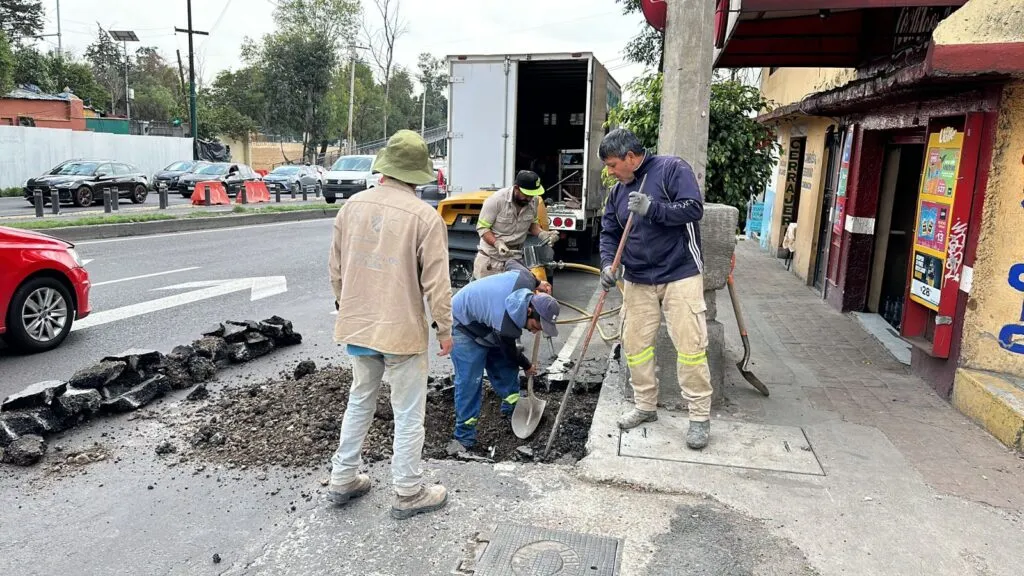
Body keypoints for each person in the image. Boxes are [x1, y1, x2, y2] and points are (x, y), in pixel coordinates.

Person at [327, 129, 454, 520]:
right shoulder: (425, 217)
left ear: (384, 168)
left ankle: (342, 478)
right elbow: (437, 283)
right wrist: (444, 329)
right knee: (408, 412)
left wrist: (346, 306)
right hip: (401, 332)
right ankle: (408, 491)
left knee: (360, 399)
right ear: (418, 175)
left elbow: (336, 270)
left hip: (359, 326)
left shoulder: (351, 207)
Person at [598, 128, 713, 450]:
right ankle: (645, 405)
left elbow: (693, 208)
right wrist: (608, 265)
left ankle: (699, 417)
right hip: (637, 278)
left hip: (680, 273)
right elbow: (609, 232)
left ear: (630, 157)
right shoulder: (618, 192)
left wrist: (653, 209)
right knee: (635, 345)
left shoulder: (672, 169)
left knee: (690, 347)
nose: (610, 172)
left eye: (612, 165)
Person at [448, 265, 559, 451]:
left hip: (488, 323)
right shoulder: (507, 326)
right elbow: (510, 352)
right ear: (529, 311)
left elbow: (513, 263)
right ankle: (464, 437)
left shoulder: (526, 279)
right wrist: (527, 365)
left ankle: (512, 409)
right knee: (470, 380)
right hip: (463, 323)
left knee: (505, 367)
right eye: (536, 326)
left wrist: (538, 282)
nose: (535, 331)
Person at [474, 170, 560, 279]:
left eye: (532, 195)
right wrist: (497, 243)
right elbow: (483, 228)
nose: (529, 198)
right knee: (489, 290)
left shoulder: (533, 201)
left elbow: (532, 223)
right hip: (491, 261)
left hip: (515, 259)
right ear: (516, 188)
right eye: (526, 195)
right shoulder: (496, 200)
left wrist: (543, 234)